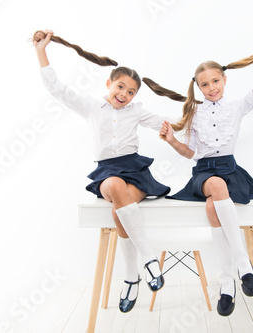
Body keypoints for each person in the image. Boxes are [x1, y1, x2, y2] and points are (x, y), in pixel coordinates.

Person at [156, 33, 253, 316]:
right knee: (216, 186)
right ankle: (244, 265)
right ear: (197, 88)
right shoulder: (194, 112)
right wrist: (172, 141)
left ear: (224, 80)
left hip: (230, 170)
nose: (211, 88)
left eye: (215, 81)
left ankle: (226, 281)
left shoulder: (237, 107)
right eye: (204, 84)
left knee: (214, 206)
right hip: (205, 173)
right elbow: (191, 153)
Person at [33, 30, 170, 313]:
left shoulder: (137, 111)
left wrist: (182, 122)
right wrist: (41, 51)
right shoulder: (90, 107)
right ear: (109, 83)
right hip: (108, 171)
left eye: (131, 92)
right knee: (116, 190)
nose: (124, 94)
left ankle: (131, 278)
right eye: (120, 87)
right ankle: (148, 258)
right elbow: (57, 88)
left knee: (120, 210)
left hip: (136, 169)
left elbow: (166, 124)